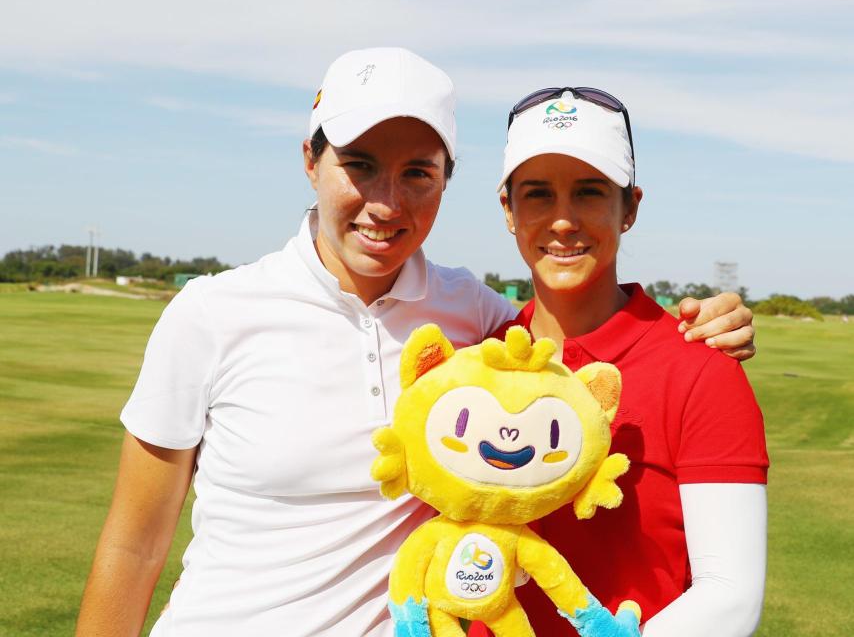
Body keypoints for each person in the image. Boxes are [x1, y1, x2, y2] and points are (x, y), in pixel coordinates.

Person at [76, 50, 756, 637]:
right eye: (360, 165)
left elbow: (583, 321)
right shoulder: (213, 313)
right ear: (310, 161)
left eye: (418, 174)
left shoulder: (474, 322)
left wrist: (708, 325)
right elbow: (134, 547)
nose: (386, 202)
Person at [471, 87, 768, 636]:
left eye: (589, 192)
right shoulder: (476, 363)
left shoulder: (702, 368)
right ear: (508, 210)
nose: (563, 220)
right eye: (537, 194)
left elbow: (731, 598)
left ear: (629, 207)